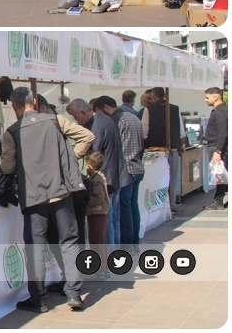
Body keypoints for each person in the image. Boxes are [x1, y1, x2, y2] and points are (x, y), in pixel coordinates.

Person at [1, 88, 87, 313]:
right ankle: (74, 293)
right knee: (69, 242)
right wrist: (71, 156)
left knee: (35, 248)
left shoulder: (13, 131)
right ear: (35, 101)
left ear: (13, 106)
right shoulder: (54, 120)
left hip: (33, 197)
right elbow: (87, 136)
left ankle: (39, 300)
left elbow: (7, 167)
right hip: (60, 192)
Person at [67, 98, 125, 265]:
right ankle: (114, 255)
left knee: (103, 230)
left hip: (105, 178)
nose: (75, 121)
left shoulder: (95, 128)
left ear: (84, 112)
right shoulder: (104, 119)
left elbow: (93, 153)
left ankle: (108, 261)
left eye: (75, 117)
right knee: (112, 221)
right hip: (113, 176)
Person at [94, 96, 144, 243]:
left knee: (124, 209)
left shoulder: (115, 121)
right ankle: (134, 240)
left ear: (106, 107)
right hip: (137, 166)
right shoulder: (133, 116)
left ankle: (127, 242)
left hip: (126, 169)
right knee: (132, 206)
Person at [144, 87, 185, 209]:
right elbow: (181, 130)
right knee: (172, 176)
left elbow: (144, 131)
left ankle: (159, 205)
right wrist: (181, 143)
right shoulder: (175, 108)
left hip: (154, 149)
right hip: (173, 147)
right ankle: (171, 203)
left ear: (154, 97)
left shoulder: (149, 109)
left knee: (157, 176)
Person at [204, 87, 227, 209]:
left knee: (220, 174)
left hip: (220, 148)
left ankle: (218, 200)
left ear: (216, 96)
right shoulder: (221, 110)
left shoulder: (220, 112)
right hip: (220, 147)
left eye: (207, 97)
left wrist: (218, 150)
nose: (205, 100)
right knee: (222, 173)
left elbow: (223, 132)